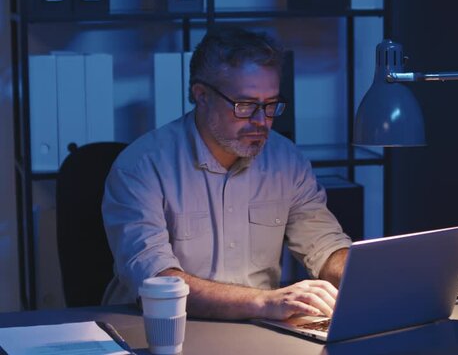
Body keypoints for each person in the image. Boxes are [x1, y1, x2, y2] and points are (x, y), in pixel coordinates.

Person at [101, 27, 352, 321]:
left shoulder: (286, 160)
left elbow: (323, 243)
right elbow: (157, 282)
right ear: (201, 95)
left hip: (258, 332)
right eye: (245, 106)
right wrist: (267, 302)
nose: (261, 121)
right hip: (160, 331)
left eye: (270, 105)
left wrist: (358, 274)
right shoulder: (141, 166)